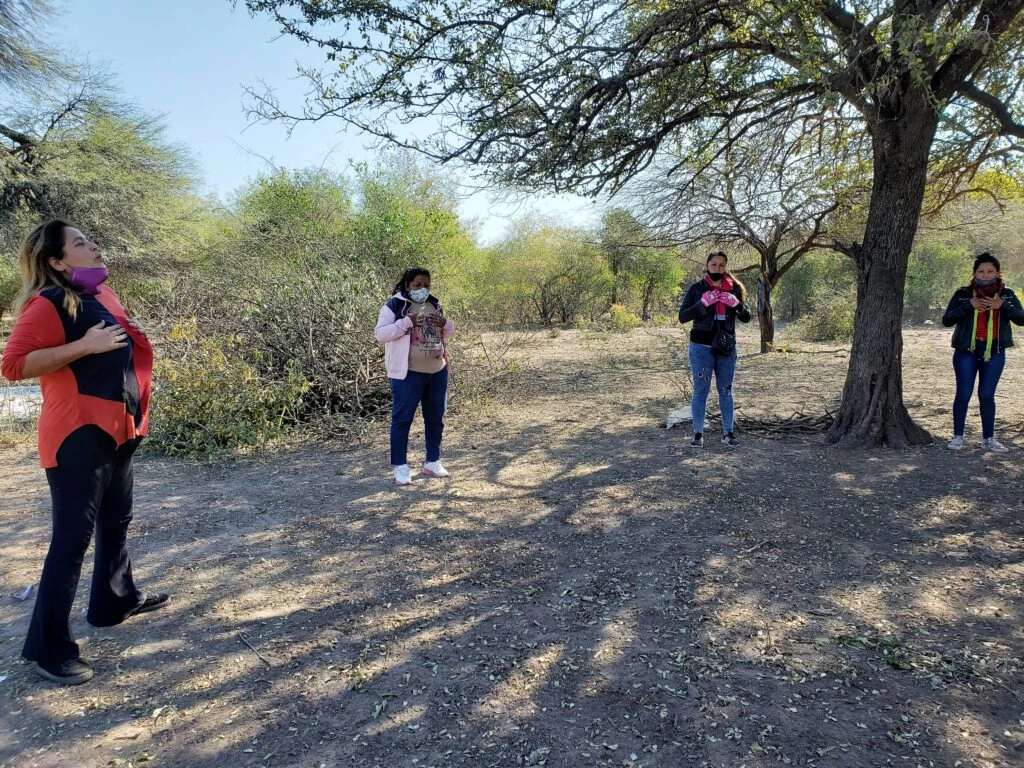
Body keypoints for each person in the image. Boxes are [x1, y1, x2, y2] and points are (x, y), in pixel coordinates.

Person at [1, 220, 168, 686]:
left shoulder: (103, 295)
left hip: (120, 427)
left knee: (116, 521)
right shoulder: (49, 302)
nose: (94, 246)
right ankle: (48, 649)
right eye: (80, 243)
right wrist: (84, 346)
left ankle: (115, 601)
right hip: (78, 435)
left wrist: (132, 335)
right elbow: (12, 365)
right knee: (72, 540)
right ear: (57, 261)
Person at [374, 267, 454, 485]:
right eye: (417, 285)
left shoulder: (435, 304)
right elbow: (381, 334)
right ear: (407, 285)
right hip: (408, 374)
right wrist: (406, 322)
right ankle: (400, 466)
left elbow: (445, 334)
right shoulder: (394, 305)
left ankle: (433, 462)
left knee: (436, 419)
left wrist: (446, 324)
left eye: (426, 285)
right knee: (402, 419)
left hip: (437, 372)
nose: (422, 289)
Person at [941, 252, 1024, 452]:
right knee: (964, 393)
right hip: (966, 352)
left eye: (990, 271)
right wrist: (969, 305)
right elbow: (947, 320)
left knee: (987, 394)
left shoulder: (1007, 294)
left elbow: (1021, 319)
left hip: (994, 351)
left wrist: (1002, 305)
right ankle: (958, 437)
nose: (985, 275)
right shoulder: (963, 294)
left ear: (998, 273)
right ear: (974, 273)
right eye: (981, 271)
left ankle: (988, 439)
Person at [678, 251, 751, 448]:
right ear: (707, 266)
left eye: (721, 265)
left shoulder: (735, 288)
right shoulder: (696, 289)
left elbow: (746, 317)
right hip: (701, 346)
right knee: (700, 391)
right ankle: (697, 434)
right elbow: (683, 316)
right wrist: (702, 304)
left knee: (726, 390)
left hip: (726, 347)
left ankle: (728, 433)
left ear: (725, 267)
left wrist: (737, 305)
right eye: (714, 264)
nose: (717, 268)